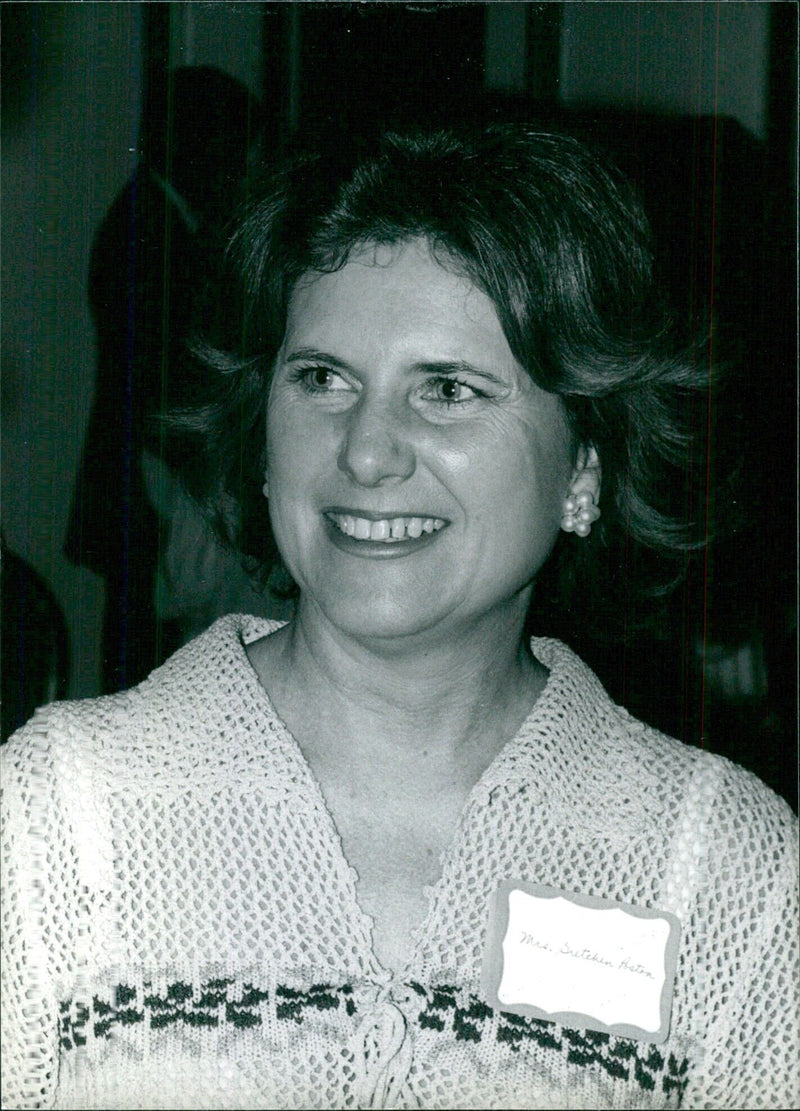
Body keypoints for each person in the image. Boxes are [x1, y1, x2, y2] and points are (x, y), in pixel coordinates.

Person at [2, 126, 796, 1110]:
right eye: (323, 379)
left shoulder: (719, 869)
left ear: (583, 466)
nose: (367, 452)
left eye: (448, 391)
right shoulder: (53, 818)